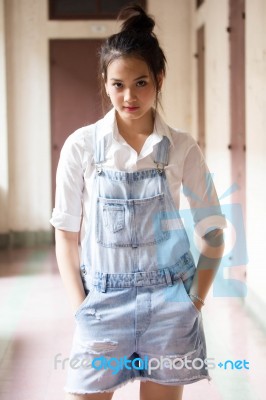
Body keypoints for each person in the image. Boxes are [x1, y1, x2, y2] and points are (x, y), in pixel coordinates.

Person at [50, 4, 226, 400]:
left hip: (170, 308)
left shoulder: (182, 148)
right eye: (117, 84)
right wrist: (82, 309)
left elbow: (214, 231)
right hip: (102, 307)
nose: (129, 96)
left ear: (159, 79)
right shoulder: (82, 147)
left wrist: (192, 302)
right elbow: (65, 235)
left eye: (141, 82)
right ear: (105, 82)